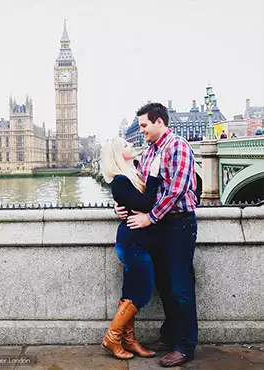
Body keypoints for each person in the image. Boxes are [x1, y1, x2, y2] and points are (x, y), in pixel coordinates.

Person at [115, 102, 198, 367]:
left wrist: (150, 217)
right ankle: (171, 336)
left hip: (178, 225)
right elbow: (139, 189)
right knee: (164, 286)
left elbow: (176, 189)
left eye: (144, 126)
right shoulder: (149, 153)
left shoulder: (178, 147)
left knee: (180, 287)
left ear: (159, 121)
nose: (141, 132)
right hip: (158, 227)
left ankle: (185, 347)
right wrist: (122, 204)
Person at [100, 137, 161, 360]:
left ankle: (129, 340)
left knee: (129, 294)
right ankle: (112, 337)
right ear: (117, 153)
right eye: (126, 145)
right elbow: (146, 204)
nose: (131, 147)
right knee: (142, 294)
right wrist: (153, 177)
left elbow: (137, 202)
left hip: (138, 242)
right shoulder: (120, 181)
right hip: (132, 244)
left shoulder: (133, 174)